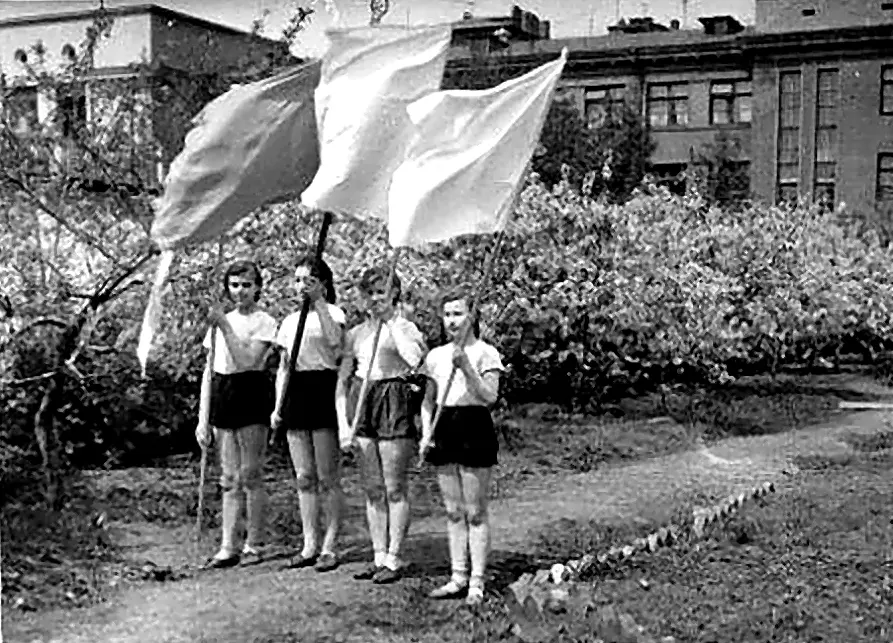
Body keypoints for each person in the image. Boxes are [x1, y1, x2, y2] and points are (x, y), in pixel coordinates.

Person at [336, 266, 427, 585]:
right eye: (370, 293)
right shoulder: (356, 334)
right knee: (372, 487)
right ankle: (378, 555)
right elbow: (343, 379)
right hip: (362, 397)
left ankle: (394, 556)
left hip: (393, 397)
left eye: (382, 293)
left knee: (394, 486)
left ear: (394, 295)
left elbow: (414, 361)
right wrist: (343, 425)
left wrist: (390, 321)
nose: (375, 299)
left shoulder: (406, 327)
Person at [419, 287, 504, 606]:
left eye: (458, 313)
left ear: (472, 315)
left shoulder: (486, 353)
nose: (452, 320)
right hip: (445, 425)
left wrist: (467, 367)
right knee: (453, 510)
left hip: (474, 425)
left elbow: (490, 397)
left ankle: (477, 581)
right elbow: (428, 401)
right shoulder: (435, 356)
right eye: (447, 314)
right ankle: (457, 576)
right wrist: (425, 433)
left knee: (475, 511)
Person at [196, 260, 278, 569]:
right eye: (234, 285)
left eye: (246, 285)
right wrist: (203, 418)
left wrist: (225, 326)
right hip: (223, 392)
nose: (240, 291)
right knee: (229, 478)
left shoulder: (264, 322)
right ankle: (227, 545)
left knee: (250, 474)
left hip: (251, 391)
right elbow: (209, 370)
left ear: (257, 287)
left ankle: (254, 543)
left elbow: (247, 361)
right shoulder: (220, 322)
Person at [271, 254, 346, 572]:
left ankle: (330, 545)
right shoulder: (289, 322)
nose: (301, 286)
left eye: (309, 280)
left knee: (328, 476)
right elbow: (284, 367)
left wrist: (318, 303)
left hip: (324, 387)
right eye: (298, 280)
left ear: (323, 284)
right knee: (304, 476)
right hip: (296, 391)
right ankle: (309, 543)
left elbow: (336, 346)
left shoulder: (334, 313)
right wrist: (277, 407)